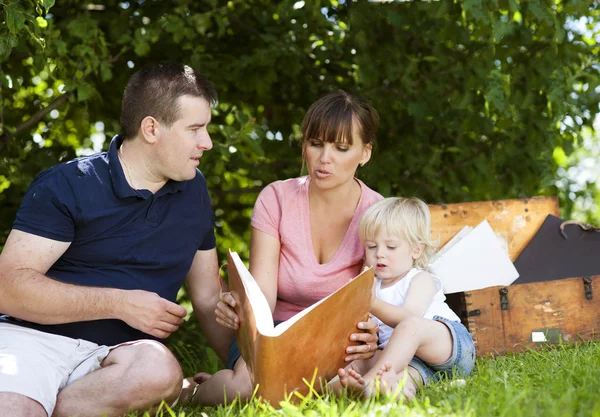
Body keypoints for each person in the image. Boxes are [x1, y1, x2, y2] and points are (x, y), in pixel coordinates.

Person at [0, 62, 232, 417]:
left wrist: (247, 370)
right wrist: (121, 304)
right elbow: (9, 287)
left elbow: (207, 297)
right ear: (152, 129)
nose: (208, 143)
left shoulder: (193, 191)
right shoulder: (70, 184)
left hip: (119, 359)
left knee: (159, 370)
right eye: (195, 129)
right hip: (33, 342)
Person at [182, 90, 383, 405]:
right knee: (245, 389)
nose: (324, 158)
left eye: (341, 148)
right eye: (316, 144)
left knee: (343, 385)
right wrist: (241, 308)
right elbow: (263, 297)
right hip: (273, 333)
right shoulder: (276, 198)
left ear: (365, 153)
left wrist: (369, 335)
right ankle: (187, 394)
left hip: (334, 340)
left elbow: (366, 304)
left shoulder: (376, 213)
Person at [333, 197, 476, 399]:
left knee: (411, 325)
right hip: (412, 362)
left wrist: (372, 303)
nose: (380, 254)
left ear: (416, 250)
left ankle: (369, 382)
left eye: (391, 247)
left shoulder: (420, 279)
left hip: (449, 350)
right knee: (359, 363)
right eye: (372, 247)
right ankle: (389, 389)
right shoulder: (372, 284)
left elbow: (409, 318)